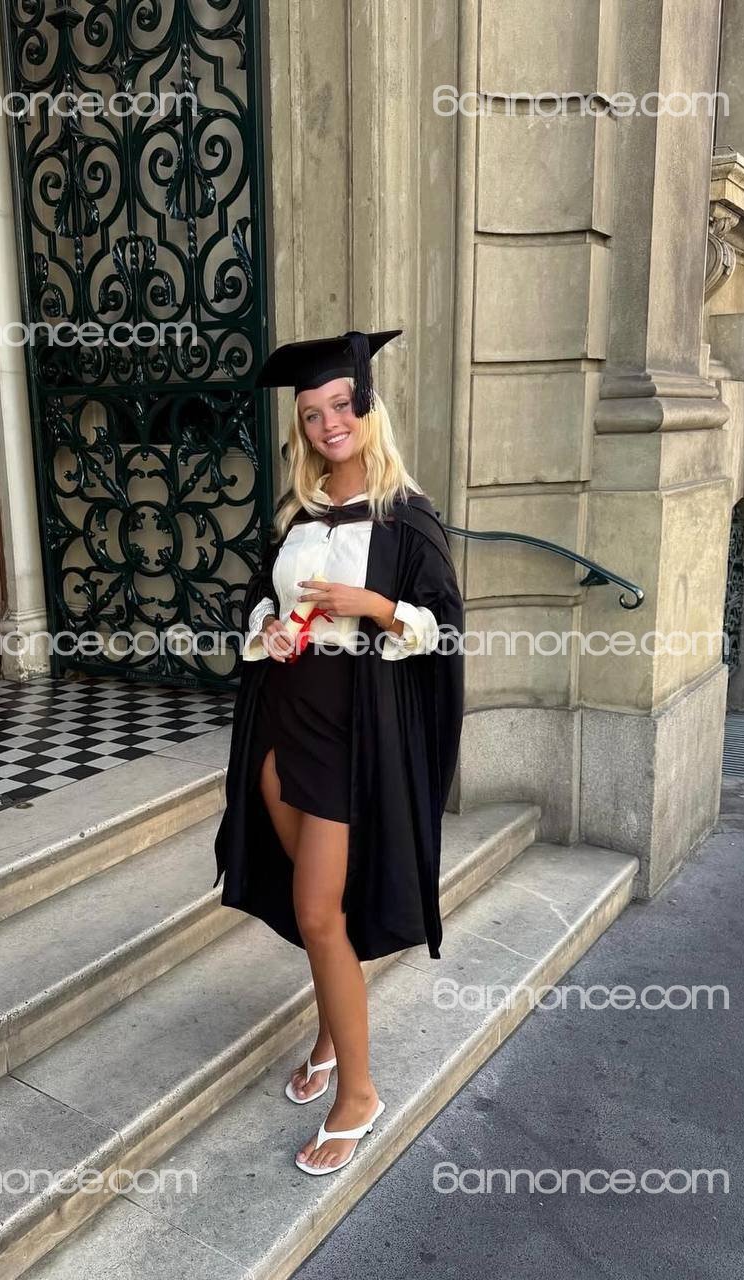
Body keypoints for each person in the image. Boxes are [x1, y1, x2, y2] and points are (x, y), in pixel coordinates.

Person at [213, 328, 465, 1175]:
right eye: (313, 414)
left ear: (368, 407)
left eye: (341, 405)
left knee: (320, 912)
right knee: (319, 903)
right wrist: (271, 630)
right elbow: (259, 601)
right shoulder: (299, 514)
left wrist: (376, 606)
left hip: (353, 736)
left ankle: (358, 1094)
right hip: (284, 721)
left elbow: (444, 631)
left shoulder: (407, 519)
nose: (329, 424)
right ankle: (331, 1030)